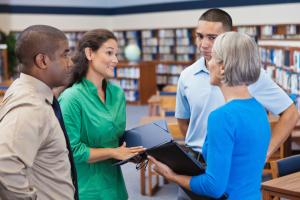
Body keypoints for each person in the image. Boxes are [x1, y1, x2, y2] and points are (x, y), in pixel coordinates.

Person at [174, 9, 298, 199]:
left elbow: (290, 112)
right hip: (195, 163)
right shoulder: (186, 75)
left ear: (228, 38)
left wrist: (265, 151)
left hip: (232, 171)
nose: (204, 44)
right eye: (199, 36)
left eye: (212, 38)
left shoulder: (252, 76)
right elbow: (184, 122)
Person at [149, 31, 271, 199]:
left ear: (222, 67)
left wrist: (172, 176)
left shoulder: (222, 117)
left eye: (212, 58)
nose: (208, 63)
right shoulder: (259, 109)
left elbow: (214, 187)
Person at [58, 29, 145, 200]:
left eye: (117, 54)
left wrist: (132, 152)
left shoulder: (117, 94)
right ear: (90, 53)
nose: (116, 60)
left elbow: (116, 137)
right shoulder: (71, 98)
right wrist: (114, 152)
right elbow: (73, 150)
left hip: (116, 187)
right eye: (109, 53)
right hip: (88, 189)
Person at [0, 25, 77, 199]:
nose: (70, 62)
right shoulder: (32, 106)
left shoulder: (25, 87)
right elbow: (4, 164)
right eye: (65, 55)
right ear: (42, 61)